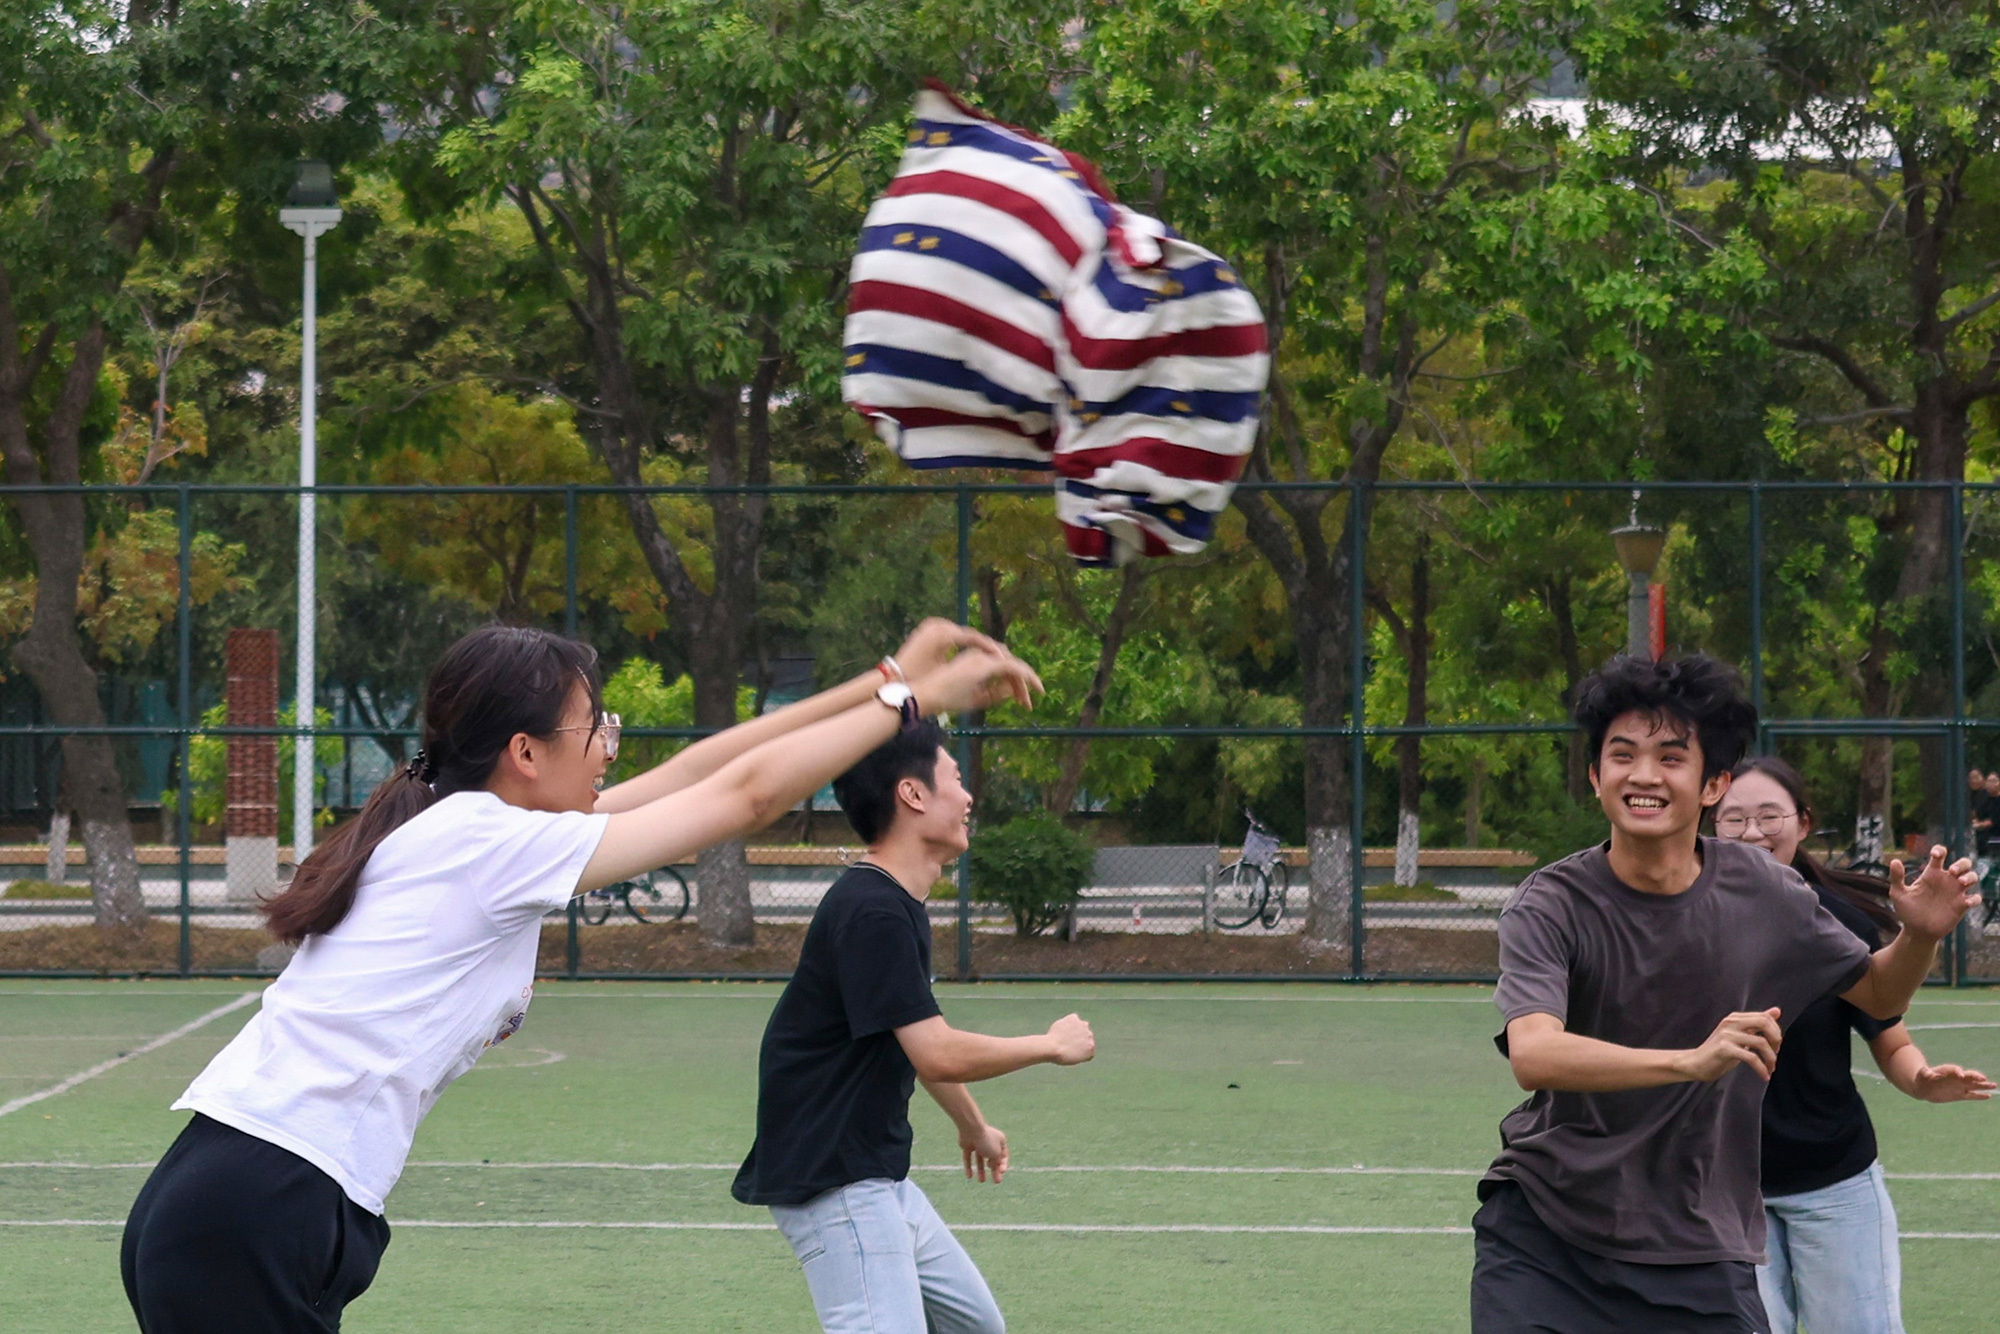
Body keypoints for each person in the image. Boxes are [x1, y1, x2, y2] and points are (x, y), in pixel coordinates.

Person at [120, 618, 1041, 1333]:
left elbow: (707, 768)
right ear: (525, 752)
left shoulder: (478, 828)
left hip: (248, 1205)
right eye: (592, 724)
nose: (609, 741)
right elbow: (747, 796)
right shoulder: (482, 842)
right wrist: (908, 702)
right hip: (257, 1208)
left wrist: (889, 684)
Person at [1471, 652, 1980, 1334]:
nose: (1644, 775)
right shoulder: (1550, 903)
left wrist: (1919, 938)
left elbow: (1878, 998)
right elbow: (1535, 1053)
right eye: (1622, 755)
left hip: (1697, 1241)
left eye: (1671, 758)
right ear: (1596, 776)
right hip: (1547, 1232)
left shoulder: (1766, 891)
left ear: (1713, 784)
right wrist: (1691, 1059)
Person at [733, 718, 1097, 1334]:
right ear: (913, 794)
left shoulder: (891, 904)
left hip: (875, 1178)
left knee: (977, 1327)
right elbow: (937, 1053)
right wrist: (1049, 1045)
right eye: (956, 778)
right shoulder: (873, 910)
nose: (969, 796)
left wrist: (973, 1126)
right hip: (837, 1186)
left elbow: (913, 1038)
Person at [1715, 755, 1993, 1334]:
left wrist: (1920, 1079)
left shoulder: (1834, 922)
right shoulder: (1682, 922)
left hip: (1835, 1181)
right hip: (1721, 1190)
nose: (1752, 832)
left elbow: (1888, 1033)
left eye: (1770, 816)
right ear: (1709, 823)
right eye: (1732, 818)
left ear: (1803, 823)